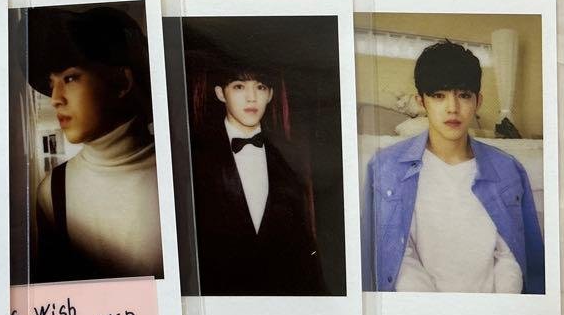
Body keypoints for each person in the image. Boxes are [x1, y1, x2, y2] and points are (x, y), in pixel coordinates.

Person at [362, 39, 545, 294]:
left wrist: (500, 308)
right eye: (439, 96)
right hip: (420, 311)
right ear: (421, 102)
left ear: (478, 101)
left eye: (464, 95)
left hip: (495, 311)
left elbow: (513, 257)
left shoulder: (508, 169)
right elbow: (395, 259)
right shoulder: (385, 167)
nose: (452, 108)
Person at [28, 6, 163, 283]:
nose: (55, 98)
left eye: (70, 78)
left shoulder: (188, 169)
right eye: (52, 84)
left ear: (121, 81)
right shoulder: (53, 190)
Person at [189, 60, 327, 296]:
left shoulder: (290, 157)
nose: (251, 98)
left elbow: (303, 246)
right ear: (221, 94)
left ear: (270, 94)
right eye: (239, 86)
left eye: (260, 87)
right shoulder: (195, 156)